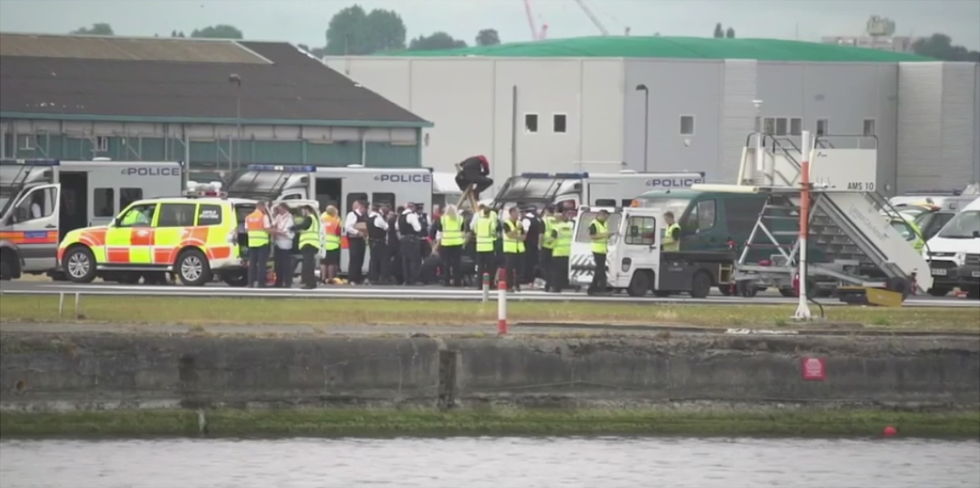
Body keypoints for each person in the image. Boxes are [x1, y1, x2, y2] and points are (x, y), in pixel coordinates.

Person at [435, 204, 466, 287]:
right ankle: (457, 281)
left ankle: (446, 281)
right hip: (457, 242)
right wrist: (463, 241)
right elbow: (463, 232)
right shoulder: (460, 219)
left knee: (446, 263)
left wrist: (439, 242)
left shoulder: (443, 219)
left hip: (446, 243)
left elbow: (439, 232)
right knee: (457, 263)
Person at [290, 204, 321, 289]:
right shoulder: (314, 218)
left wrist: (292, 228)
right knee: (309, 264)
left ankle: (310, 284)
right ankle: (310, 283)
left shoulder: (309, 218)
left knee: (308, 265)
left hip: (309, 244)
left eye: (303, 210)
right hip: (311, 244)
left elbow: (304, 226)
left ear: (307, 210)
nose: (302, 212)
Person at [245, 201, 273, 288]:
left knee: (252, 264)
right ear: (262, 207)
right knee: (261, 264)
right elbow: (267, 229)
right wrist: (275, 232)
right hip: (262, 243)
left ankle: (250, 283)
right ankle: (261, 283)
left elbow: (246, 230)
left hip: (252, 243)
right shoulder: (263, 216)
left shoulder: (248, 217)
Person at [472, 204, 498, 290]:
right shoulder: (491, 220)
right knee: (489, 267)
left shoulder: (478, 220)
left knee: (480, 266)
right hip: (489, 245)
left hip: (479, 245)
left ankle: (479, 285)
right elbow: (493, 230)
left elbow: (474, 228)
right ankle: (489, 284)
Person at [548, 211, 574, 293]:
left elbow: (552, 239)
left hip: (558, 252)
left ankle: (556, 287)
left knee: (556, 272)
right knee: (566, 271)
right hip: (568, 252)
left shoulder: (556, 228)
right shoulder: (571, 226)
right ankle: (566, 285)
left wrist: (548, 243)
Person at [588, 209, 612, 295]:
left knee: (599, 269)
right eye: (605, 217)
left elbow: (603, 236)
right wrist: (605, 235)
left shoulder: (604, 223)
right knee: (600, 270)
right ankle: (600, 288)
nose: (606, 219)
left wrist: (607, 237)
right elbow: (592, 236)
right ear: (601, 215)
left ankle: (593, 288)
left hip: (602, 250)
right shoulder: (594, 224)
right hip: (596, 249)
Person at [344, 200, 368, 284]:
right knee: (354, 258)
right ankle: (352, 278)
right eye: (365, 208)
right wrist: (357, 232)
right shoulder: (352, 215)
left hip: (361, 239)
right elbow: (347, 227)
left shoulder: (364, 215)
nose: (366, 210)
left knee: (360, 258)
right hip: (354, 239)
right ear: (360, 207)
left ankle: (358, 278)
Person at [502, 206, 526, 292]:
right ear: (512, 213)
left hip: (519, 249)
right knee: (509, 269)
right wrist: (516, 230)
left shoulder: (520, 223)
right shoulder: (506, 223)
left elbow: (523, 237)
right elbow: (509, 235)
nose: (518, 214)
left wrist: (516, 236)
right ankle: (509, 286)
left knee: (519, 269)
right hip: (510, 249)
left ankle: (517, 285)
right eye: (516, 212)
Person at [399, 202, 423, 286]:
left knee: (405, 261)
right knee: (414, 260)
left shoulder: (400, 216)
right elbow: (418, 228)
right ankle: (414, 280)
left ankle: (406, 279)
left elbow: (396, 227)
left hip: (403, 239)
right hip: (412, 239)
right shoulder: (411, 216)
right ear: (412, 208)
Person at [271, 203, 295, 288]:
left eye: (280, 209)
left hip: (286, 243)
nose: (279, 210)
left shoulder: (289, 218)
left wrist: (277, 231)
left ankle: (287, 282)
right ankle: (278, 282)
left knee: (286, 265)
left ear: (285, 208)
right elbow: (274, 225)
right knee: (278, 265)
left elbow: (286, 231)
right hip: (278, 242)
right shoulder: (278, 216)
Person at [367, 204, 390, 284]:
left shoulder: (369, 218)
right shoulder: (378, 219)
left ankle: (373, 277)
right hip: (380, 242)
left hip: (371, 241)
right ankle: (383, 278)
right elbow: (387, 228)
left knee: (374, 260)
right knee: (383, 260)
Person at [320, 205, 342, 284]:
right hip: (333, 244)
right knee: (331, 263)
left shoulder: (321, 217)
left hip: (323, 243)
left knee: (323, 262)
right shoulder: (336, 219)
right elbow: (339, 231)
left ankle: (322, 278)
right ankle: (330, 278)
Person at [521, 207, 541, 285]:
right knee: (532, 263)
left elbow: (525, 232)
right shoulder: (537, 220)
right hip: (535, 244)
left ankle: (526, 278)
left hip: (527, 245)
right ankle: (531, 279)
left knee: (526, 262)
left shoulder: (526, 220)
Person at [539, 206, 557, 288]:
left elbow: (541, 234)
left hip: (546, 245)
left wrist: (540, 244)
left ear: (546, 211)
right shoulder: (556, 220)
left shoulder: (545, 220)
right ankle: (553, 283)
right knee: (552, 267)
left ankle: (548, 284)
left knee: (544, 266)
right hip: (555, 246)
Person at [386, 206, 402, 284]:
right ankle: (397, 277)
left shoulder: (388, 222)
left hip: (390, 244)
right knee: (397, 261)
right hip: (397, 244)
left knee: (388, 261)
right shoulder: (396, 221)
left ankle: (390, 276)